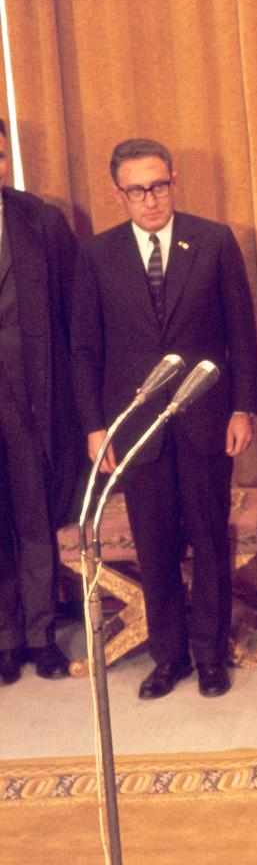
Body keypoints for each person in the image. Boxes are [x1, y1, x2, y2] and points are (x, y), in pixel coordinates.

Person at [71, 139, 257, 700]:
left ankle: (211, 655)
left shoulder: (212, 240)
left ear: (174, 182)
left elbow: (241, 333)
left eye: (159, 186)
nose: (150, 199)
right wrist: (94, 426)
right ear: (119, 195)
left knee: (208, 538)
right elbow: (84, 348)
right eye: (137, 190)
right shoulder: (96, 256)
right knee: (155, 544)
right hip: (134, 429)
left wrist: (242, 407)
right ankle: (168, 657)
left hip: (206, 418)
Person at [0, 119, 82, 684]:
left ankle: (40, 634)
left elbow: (76, 320)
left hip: (31, 401)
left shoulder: (41, 222)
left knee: (33, 521)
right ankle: (4, 640)